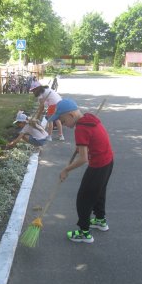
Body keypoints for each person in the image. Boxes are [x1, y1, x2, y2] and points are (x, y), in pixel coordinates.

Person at [48, 99, 114, 243]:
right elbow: (94, 138)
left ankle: (84, 233)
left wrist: (66, 169)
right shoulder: (89, 118)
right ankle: (100, 220)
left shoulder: (81, 128)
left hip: (98, 166)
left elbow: (83, 159)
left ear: (71, 115)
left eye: (63, 121)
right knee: (99, 192)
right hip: (108, 161)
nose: (63, 124)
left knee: (84, 199)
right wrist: (84, 145)